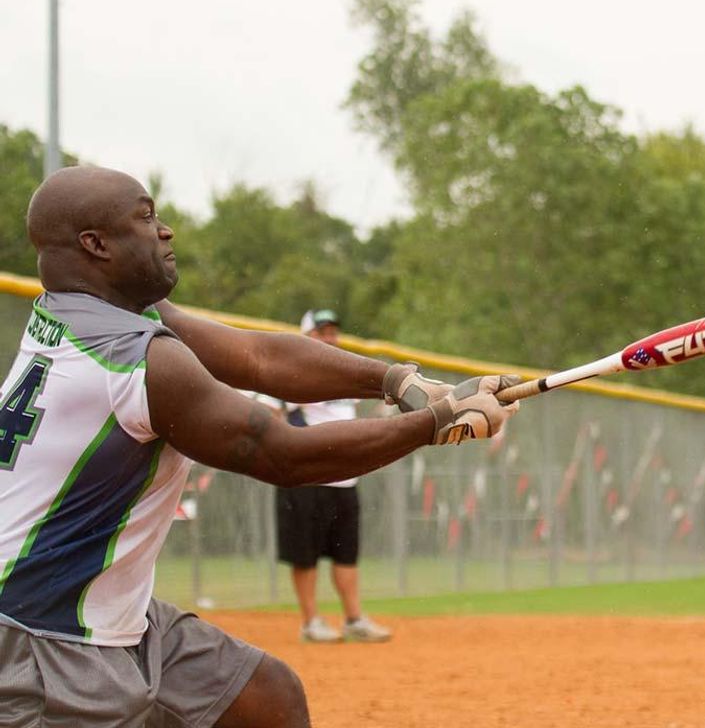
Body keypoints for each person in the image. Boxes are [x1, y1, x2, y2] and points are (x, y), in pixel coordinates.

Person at [0, 165, 519, 728]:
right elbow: (284, 455)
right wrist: (436, 424)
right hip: (40, 639)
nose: (166, 230)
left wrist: (396, 381)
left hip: (101, 613)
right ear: (96, 245)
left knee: (264, 698)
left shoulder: (82, 311)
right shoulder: (136, 359)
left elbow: (258, 358)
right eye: (147, 217)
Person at [277, 308, 390, 643]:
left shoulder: (344, 371)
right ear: (307, 335)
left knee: (346, 552)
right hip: (306, 477)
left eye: (332, 332)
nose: (330, 337)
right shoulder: (291, 371)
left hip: (344, 478)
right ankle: (311, 622)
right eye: (322, 331)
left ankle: (354, 618)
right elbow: (270, 410)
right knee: (305, 553)